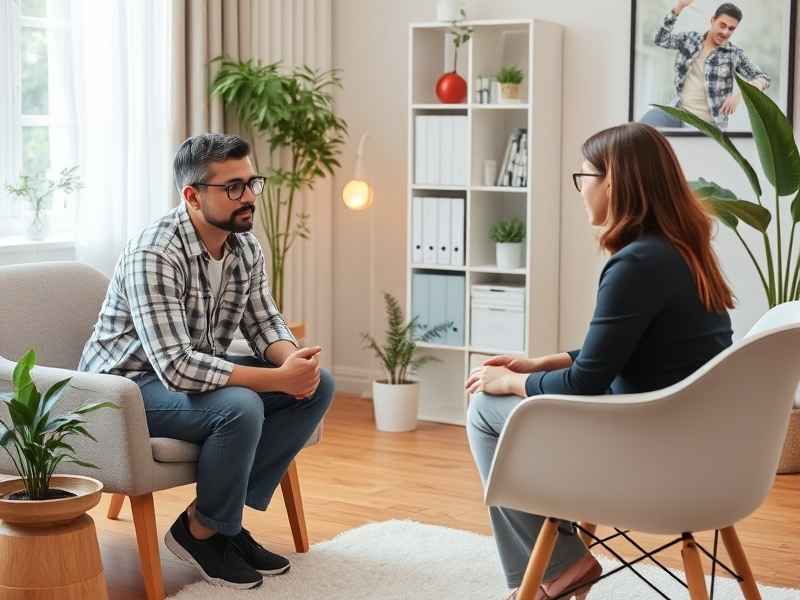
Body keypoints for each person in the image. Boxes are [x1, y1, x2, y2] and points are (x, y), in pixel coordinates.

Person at [465, 122, 734, 600]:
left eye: (585, 176)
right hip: (698, 450)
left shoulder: (636, 263)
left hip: (645, 456)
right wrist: (538, 365)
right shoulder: (683, 252)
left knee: (485, 409)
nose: (581, 189)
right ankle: (561, 562)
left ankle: (564, 566)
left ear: (614, 182)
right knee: (511, 407)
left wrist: (507, 383)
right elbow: (629, 351)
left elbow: (586, 381)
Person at [79, 133, 335, 590]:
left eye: (251, 182)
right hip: (123, 389)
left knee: (321, 385)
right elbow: (176, 367)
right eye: (233, 187)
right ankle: (204, 534)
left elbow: (263, 321)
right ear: (193, 197)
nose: (249, 196)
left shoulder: (243, 245)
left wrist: (294, 363)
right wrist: (278, 379)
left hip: (184, 373)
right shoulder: (154, 253)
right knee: (240, 406)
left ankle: (218, 524)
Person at [639, 1, 770, 131]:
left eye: (731, 29)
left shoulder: (733, 54)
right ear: (713, 20)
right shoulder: (691, 41)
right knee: (644, 126)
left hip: (708, 124)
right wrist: (679, 7)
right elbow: (659, 39)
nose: (725, 32)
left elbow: (763, 78)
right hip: (678, 115)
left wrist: (740, 95)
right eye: (722, 25)